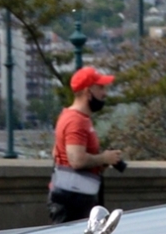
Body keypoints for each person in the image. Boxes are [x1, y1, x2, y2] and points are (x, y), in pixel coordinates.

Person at [50, 64, 126, 223]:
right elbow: (76, 160)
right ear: (87, 91)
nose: (104, 93)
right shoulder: (75, 121)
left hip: (77, 198)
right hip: (72, 202)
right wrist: (104, 158)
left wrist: (101, 162)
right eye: (100, 88)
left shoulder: (79, 119)